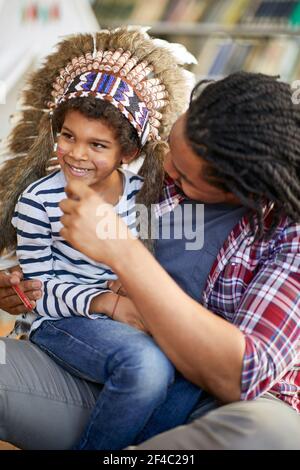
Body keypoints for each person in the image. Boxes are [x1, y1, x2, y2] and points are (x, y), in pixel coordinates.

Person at [0, 71, 300, 450]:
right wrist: (17, 287)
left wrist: (123, 254)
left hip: (211, 405)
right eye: (171, 146)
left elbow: (240, 376)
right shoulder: (149, 185)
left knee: (274, 435)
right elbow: (48, 275)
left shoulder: (289, 235)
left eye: (185, 173)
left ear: (241, 188)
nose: (165, 166)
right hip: (106, 356)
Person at [0, 28, 202, 450]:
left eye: (97, 145)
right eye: (68, 136)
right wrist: (107, 302)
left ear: (126, 154)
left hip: (127, 316)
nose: (76, 154)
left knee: (191, 376)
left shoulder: (144, 196)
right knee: (144, 366)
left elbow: (146, 264)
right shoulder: (38, 202)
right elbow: (37, 293)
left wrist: (131, 293)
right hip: (60, 323)